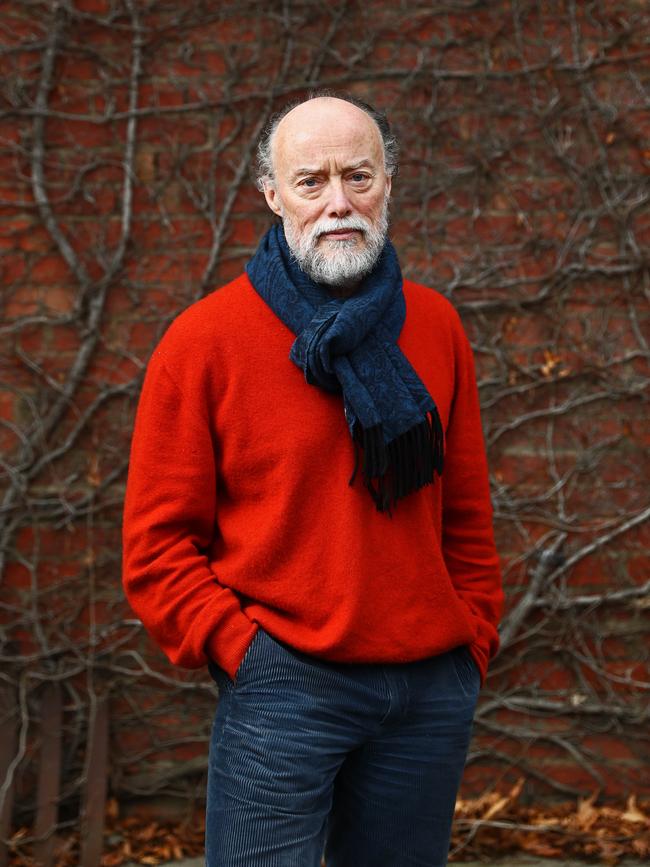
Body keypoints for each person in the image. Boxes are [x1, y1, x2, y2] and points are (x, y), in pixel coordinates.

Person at [121, 90, 503, 867]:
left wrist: (472, 639)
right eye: (311, 181)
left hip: (428, 691)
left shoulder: (434, 326)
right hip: (283, 688)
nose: (338, 202)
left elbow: (465, 511)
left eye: (358, 176)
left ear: (388, 182)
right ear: (272, 195)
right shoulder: (205, 342)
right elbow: (156, 549)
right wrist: (244, 651)